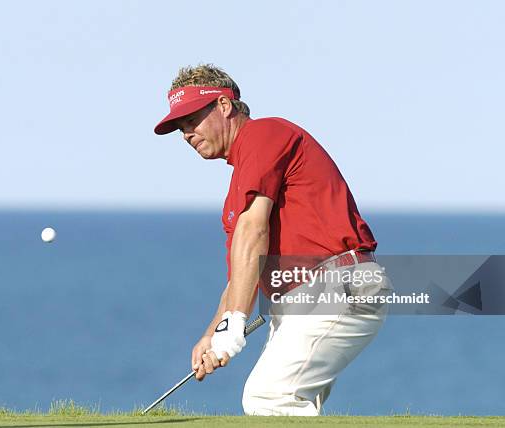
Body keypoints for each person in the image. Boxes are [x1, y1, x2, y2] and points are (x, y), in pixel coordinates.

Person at [153, 64, 391, 416]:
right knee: (291, 405)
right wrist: (214, 333)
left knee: (268, 398)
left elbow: (254, 232)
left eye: (192, 119)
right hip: (306, 298)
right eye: (180, 128)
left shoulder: (264, 134)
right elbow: (240, 274)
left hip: (336, 285)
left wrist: (235, 319)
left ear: (223, 106)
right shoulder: (241, 181)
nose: (187, 133)